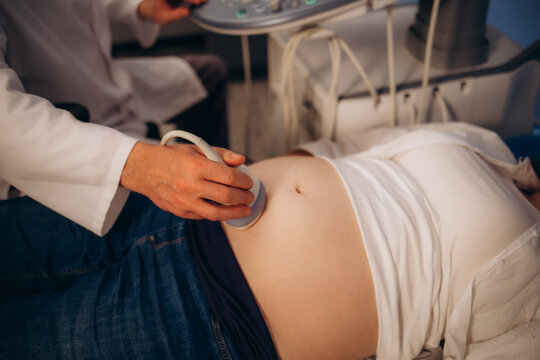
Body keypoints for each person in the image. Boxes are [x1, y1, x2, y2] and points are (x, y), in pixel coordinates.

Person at [1, 122, 539, 359]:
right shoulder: (487, 148)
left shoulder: (531, 276)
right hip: (169, 201)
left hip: (206, 319)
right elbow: (356, 147)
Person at [0, 0, 256, 236]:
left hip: (96, 78)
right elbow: (8, 126)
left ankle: (212, 175)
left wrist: (138, 5)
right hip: (58, 142)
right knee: (205, 222)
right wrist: (143, 166)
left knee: (210, 73)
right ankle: (213, 208)